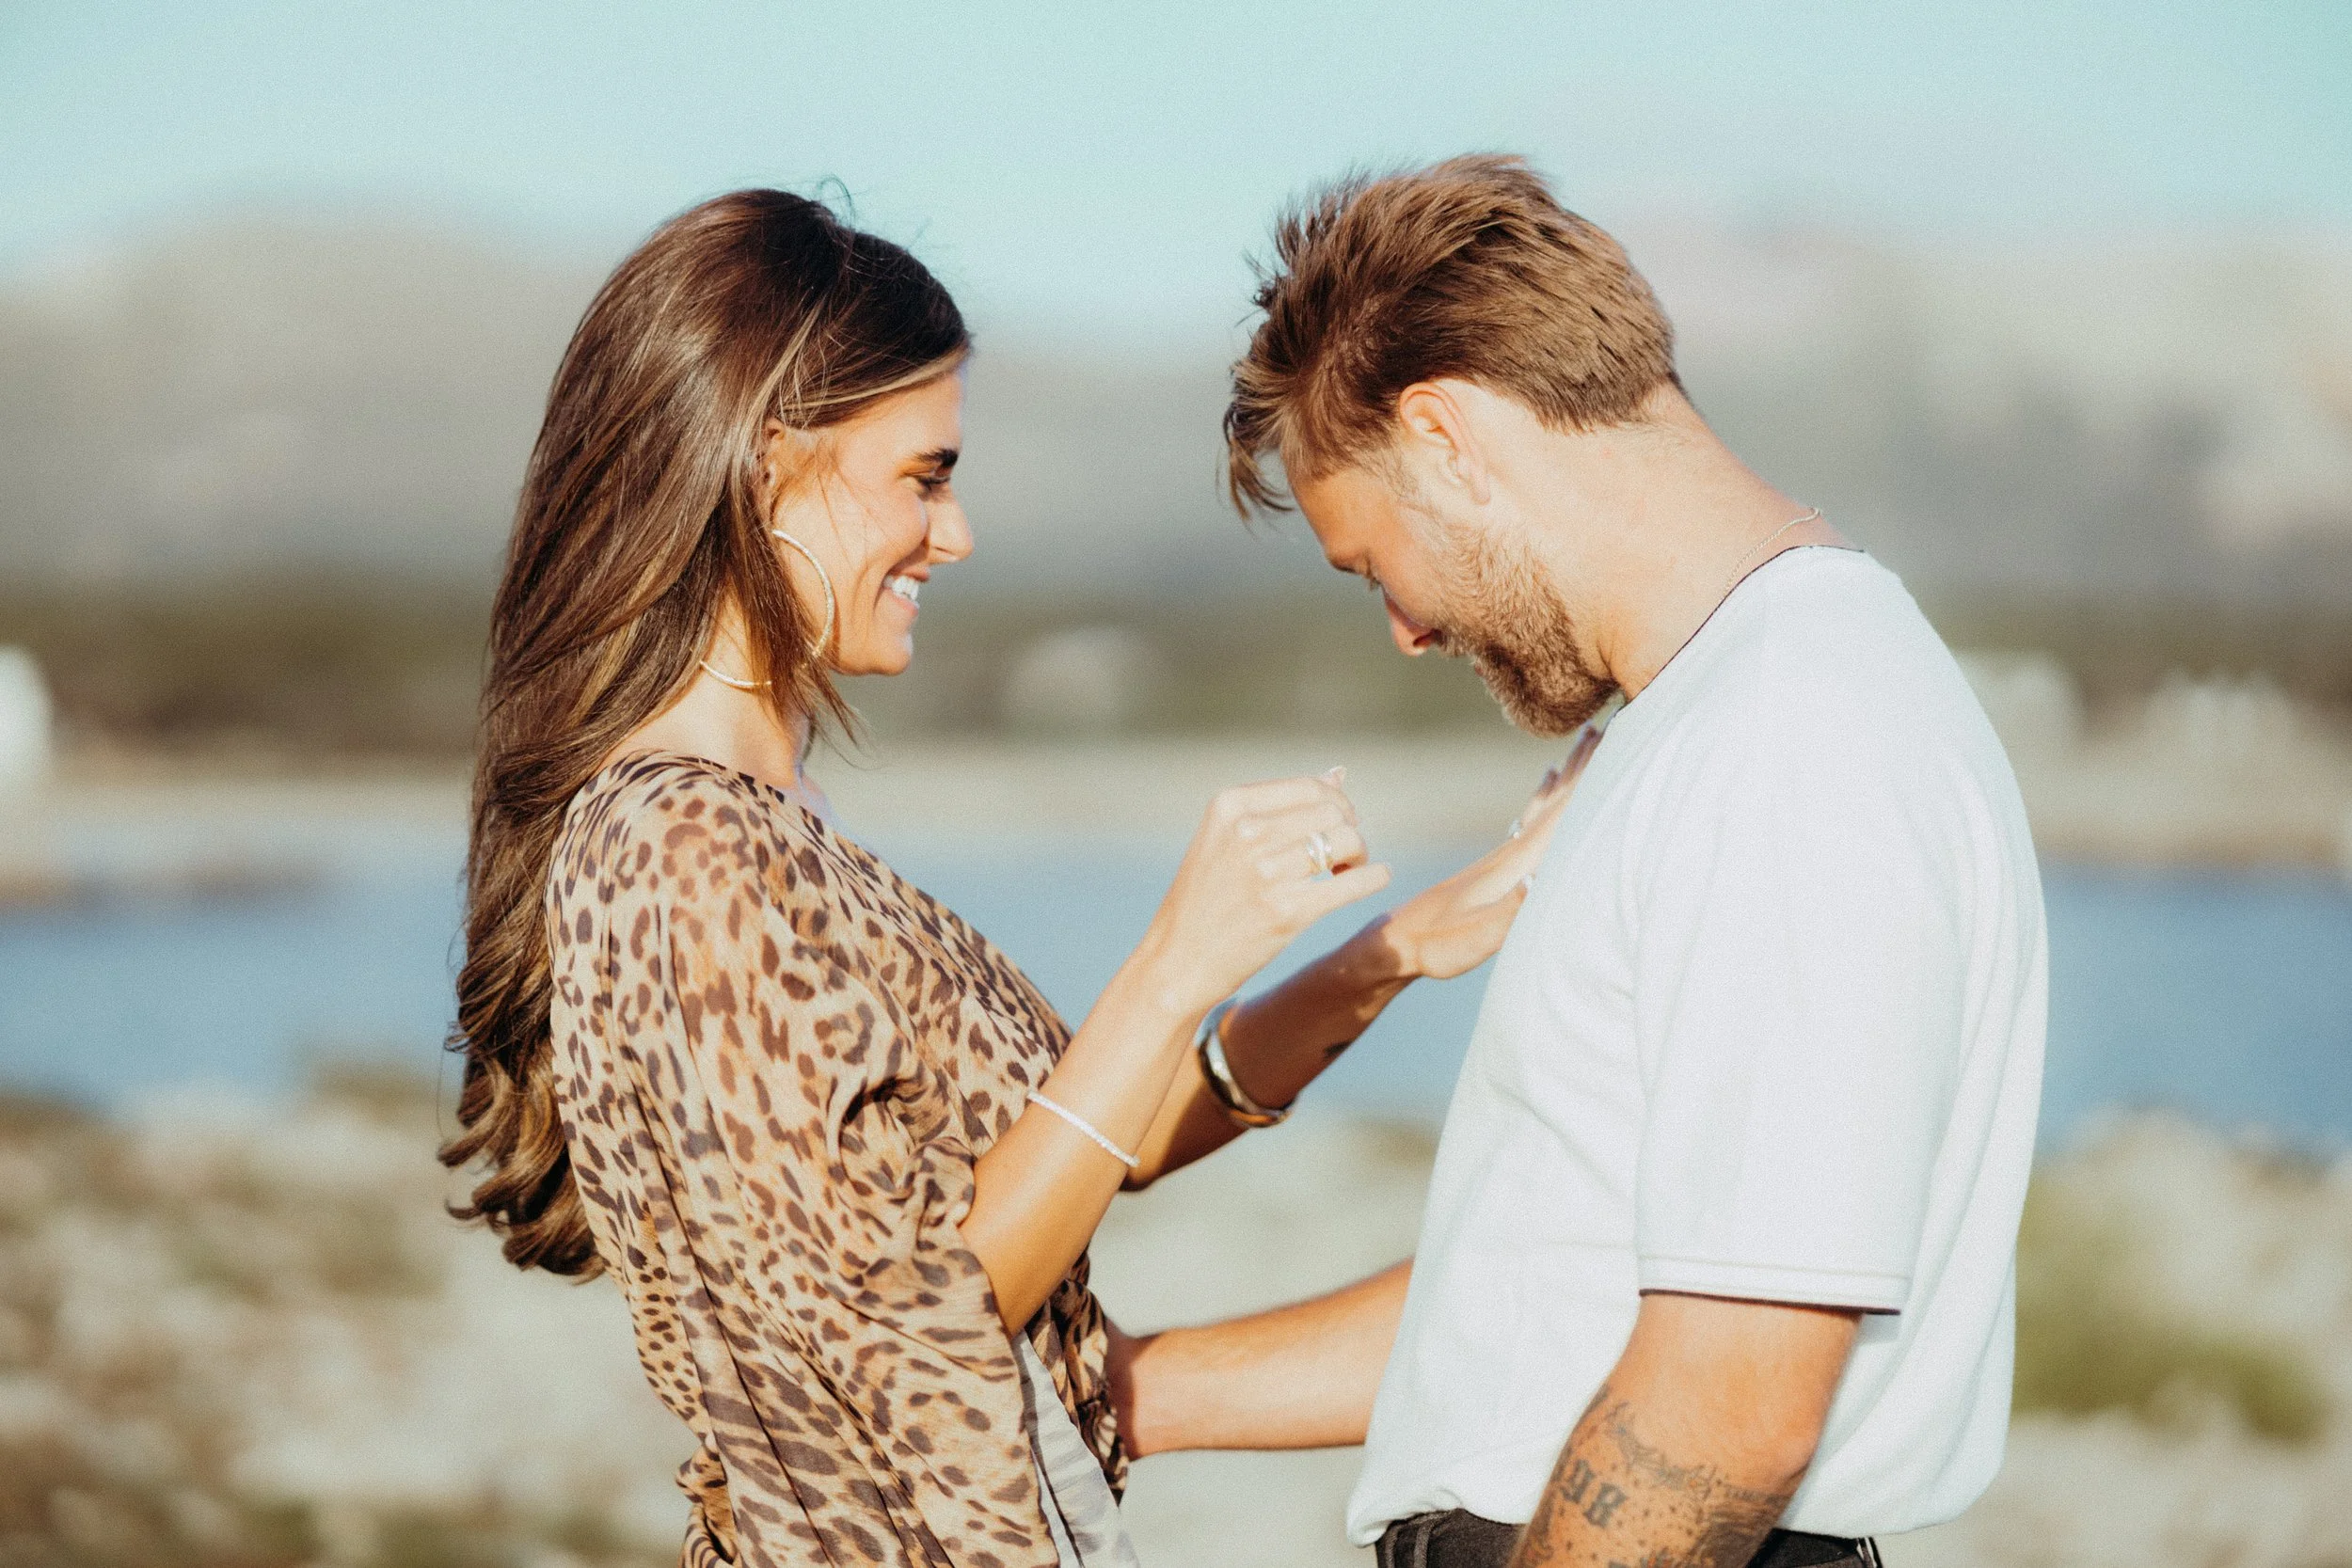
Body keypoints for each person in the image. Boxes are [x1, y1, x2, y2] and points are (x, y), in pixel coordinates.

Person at [437, 188, 1575, 1568]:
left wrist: (1391, 951)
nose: (956, 533)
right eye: (924, 475)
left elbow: (1108, 1144)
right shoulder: (686, 851)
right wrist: (1173, 960)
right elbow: (901, 1339)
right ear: (766, 467)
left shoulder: (760, 825)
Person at [1108, 156, 2047, 1568]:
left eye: (1372, 564)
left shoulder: (1790, 740)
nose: (1406, 630)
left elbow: (1729, 1398)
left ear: (1447, 437)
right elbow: (1556, 1289)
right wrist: (1133, 1393)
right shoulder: (1712, 720)